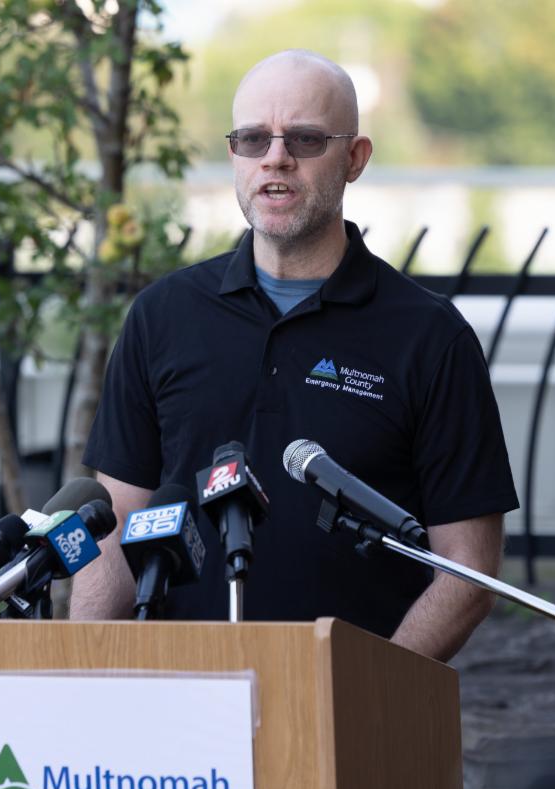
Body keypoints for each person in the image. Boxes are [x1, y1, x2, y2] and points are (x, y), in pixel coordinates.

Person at [70, 49, 518, 662]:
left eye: (305, 139)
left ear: (355, 158)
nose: (275, 157)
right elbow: (115, 529)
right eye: (254, 139)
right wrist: (86, 674)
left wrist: (363, 696)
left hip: (348, 716)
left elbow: (466, 572)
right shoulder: (163, 316)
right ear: (234, 155)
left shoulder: (429, 336)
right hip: (179, 709)